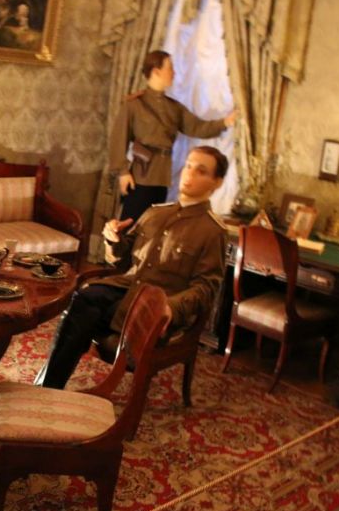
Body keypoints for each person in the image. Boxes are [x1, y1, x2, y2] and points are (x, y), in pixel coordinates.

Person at [35, 145, 229, 389]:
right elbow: (123, 261)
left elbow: (206, 289)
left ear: (217, 182)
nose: (189, 173)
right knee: (83, 297)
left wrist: (171, 307)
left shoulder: (212, 231)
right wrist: (114, 239)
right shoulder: (156, 213)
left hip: (156, 305)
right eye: (188, 165)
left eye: (201, 171)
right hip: (125, 288)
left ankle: (48, 388)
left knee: (82, 312)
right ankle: (49, 388)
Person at [109, 50, 236, 223]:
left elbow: (198, 127)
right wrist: (123, 172)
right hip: (140, 177)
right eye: (170, 68)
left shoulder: (173, 108)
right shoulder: (134, 105)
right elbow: (118, 140)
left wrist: (225, 122)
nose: (174, 73)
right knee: (130, 224)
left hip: (162, 177)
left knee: (154, 224)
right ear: (156, 71)